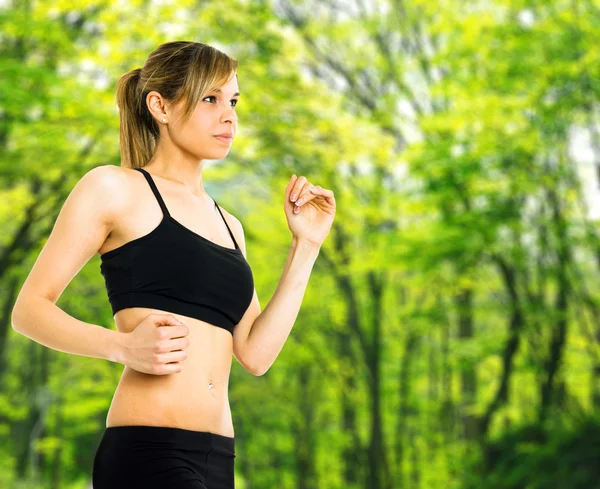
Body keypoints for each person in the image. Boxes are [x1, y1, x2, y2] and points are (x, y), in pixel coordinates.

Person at [10, 41, 336, 488]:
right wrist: (120, 347)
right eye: (211, 99)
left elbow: (256, 355)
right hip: (148, 453)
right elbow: (29, 310)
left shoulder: (230, 226)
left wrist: (307, 245)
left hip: (219, 458)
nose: (230, 115)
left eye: (234, 101)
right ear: (160, 106)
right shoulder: (114, 189)